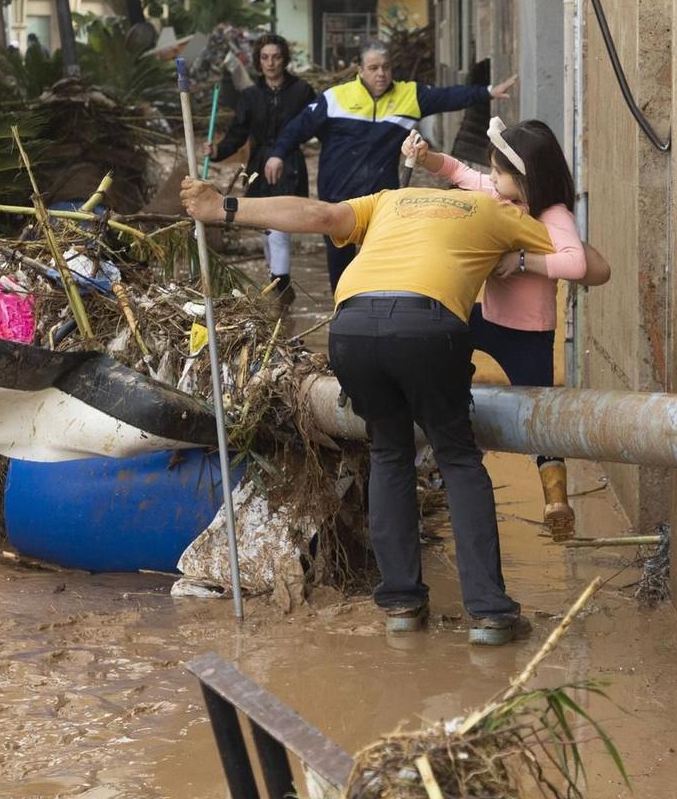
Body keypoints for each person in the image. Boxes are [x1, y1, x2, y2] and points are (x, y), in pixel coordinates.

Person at [179, 173, 554, 645]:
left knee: (389, 453)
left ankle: (401, 606)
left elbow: (318, 215)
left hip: (352, 327)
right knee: (457, 458)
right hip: (429, 326)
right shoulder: (492, 211)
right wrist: (517, 254)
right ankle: (489, 613)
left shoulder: (388, 200)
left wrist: (223, 208)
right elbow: (583, 261)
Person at [401, 118, 612, 540]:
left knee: (541, 419)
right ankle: (447, 412)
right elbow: (461, 174)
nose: (491, 179)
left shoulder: (554, 216)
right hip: (489, 319)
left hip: (529, 335)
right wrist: (427, 160)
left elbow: (576, 264)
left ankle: (556, 500)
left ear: (526, 178)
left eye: (498, 172)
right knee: (446, 331)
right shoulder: (501, 196)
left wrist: (521, 262)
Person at [264, 38, 517, 291]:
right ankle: (341, 313)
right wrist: (278, 154)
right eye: (373, 68)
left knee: (378, 261)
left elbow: (448, 96)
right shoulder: (335, 98)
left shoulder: (409, 96)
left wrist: (487, 91)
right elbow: (298, 127)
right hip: (336, 196)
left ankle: (373, 311)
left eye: (386, 67)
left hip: (381, 199)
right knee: (339, 265)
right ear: (360, 70)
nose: (381, 74)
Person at [209, 34, 317, 305]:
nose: (271, 63)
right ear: (258, 61)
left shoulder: (302, 91)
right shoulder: (250, 96)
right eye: (265, 58)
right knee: (265, 229)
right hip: (258, 166)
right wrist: (217, 152)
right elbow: (237, 134)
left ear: (285, 60)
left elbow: (317, 126)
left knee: (279, 226)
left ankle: (281, 285)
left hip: (290, 166)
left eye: (276, 57)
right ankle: (277, 284)